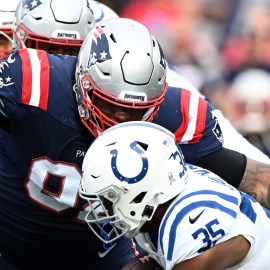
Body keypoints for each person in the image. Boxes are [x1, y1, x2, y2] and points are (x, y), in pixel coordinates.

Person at [79, 121, 270, 270]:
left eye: (109, 198)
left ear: (139, 195)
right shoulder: (161, 200)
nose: (103, 207)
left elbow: (236, 244)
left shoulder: (192, 221)